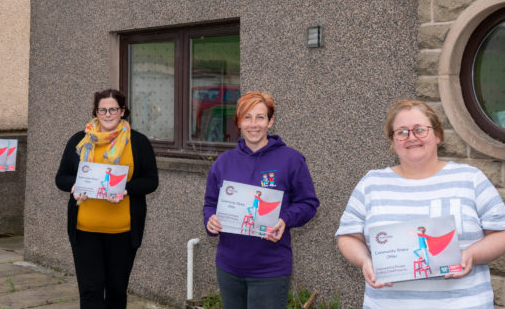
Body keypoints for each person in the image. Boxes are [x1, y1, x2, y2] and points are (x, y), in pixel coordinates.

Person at [336, 99, 505, 308]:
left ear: (438, 135)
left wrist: (471, 254)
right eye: (402, 132)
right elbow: (348, 237)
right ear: (393, 140)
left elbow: (501, 233)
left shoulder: (470, 179)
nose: (411, 138)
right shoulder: (372, 183)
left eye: (419, 130)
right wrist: (365, 261)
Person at [203, 91, 320, 309]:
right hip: (229, 268)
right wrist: (210, 220)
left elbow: (309, 204)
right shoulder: (223, 163)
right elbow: (210, 203)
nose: (253, 124)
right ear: (238, 122)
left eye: (260, 117)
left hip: (270, 270)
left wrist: (285, 219)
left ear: (270, 121)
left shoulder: (291, 160)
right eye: (247, 117)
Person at [55, 89, 158, 309]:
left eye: (113, 109)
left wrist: (125, 189)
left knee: (116, 291)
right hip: (85, 231)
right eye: (103, 109)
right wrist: (74, 186)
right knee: (90, 291)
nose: (108, 114)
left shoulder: (138, 142)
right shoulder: (79, 140)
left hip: (123, 233)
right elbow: (61, 178)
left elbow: (151, 181)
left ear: (122, 111)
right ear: (95, 111)